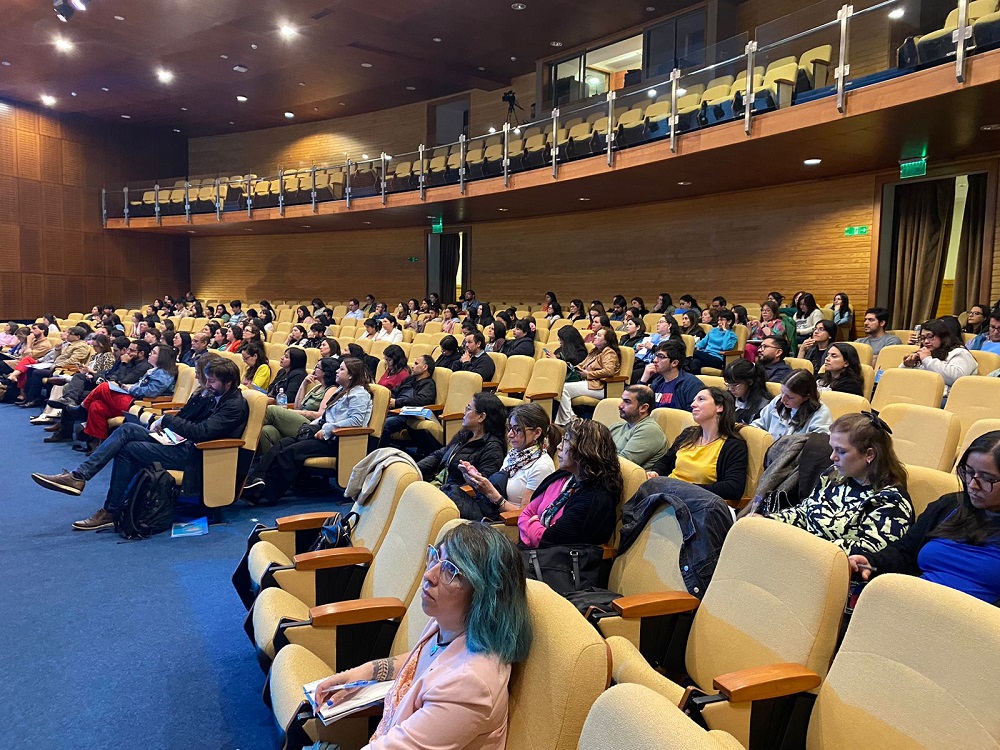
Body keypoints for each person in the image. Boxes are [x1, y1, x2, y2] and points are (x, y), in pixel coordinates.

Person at [310, 523, 532, 750]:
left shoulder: (470, 684)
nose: (429, 574)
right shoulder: (449, 623)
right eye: (436, 557)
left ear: (485, 596)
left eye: (451, 570)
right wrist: (358, 676)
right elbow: (417, 660)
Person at [32, 358, 249, 531]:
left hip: (198, 455)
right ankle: (78, 477)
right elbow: (188, 418)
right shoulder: (213, 395)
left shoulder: (233, 405)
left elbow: (202, 432)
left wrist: (167, 421)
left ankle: (111, 510)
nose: (207, 384)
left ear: (228, 382)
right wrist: (176, 418)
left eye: (211, 381)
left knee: (129, 449)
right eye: (207, 379)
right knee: (127, 429)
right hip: (180, 442)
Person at [848, 430, 1000, 604]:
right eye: (969, 472)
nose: (973, 485)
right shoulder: (950, 505)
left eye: (988, 479)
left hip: (973, 623)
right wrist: (871, 561)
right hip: (914, 605)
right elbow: (905, 553)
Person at [764, 413, 913, 556]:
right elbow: (804, 512)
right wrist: (768, 522)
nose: (832, 457)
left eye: (841, 451)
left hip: (838, 574)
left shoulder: (890, 502)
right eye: (832, 448)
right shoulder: (834, 475)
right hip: (801, 557)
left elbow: (866, 554)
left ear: (869, 455)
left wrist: (798, 544)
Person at [245, 357, 374, 504]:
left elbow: (356, 421)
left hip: (339, 441)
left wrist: (328, 429)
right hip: (323, 433)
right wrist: (312, 425)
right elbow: (327, 415)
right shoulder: (342, 390)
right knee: (283, 443)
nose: (337, 371)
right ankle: (254, 480)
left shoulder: (359, 394)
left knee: (290, 452)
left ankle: (265, 494)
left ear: (351, 375)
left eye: (342, 369)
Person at [518, 418, 621, 548]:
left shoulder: (595, 498)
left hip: (557, 564)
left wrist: (532, 523)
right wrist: (535, 526)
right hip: (532, 554)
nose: (558, 446)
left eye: (565, 441)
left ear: (584, 450)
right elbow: (526, 513)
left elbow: (547, 539)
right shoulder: (563, 476)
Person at [647, 387, 749, 504]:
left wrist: (686, 489)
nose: (693, 405)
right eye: (694, 400)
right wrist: (656, 472)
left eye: (701, 399)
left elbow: (733, 488)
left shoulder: (733, 446)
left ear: (719, 407)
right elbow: (665, 461)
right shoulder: (688, 433)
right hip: (667, 495)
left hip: (697, 503)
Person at [460, 403, 559, 519]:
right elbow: (500, 487)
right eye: (510, 428)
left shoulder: (542, 466)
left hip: (508, 525)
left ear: (537, 433)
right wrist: (477, 480)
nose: (510, 434)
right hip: (491, 513)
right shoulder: (514, 454)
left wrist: (492, 495)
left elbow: (525, 516)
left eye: (517, 429)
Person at [75, 343, 179, 450]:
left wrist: (130, 388)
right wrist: (131, 386)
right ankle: (98, 444)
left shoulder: (164, 373)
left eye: (154, 353)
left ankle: (81, 408)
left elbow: (151, 392)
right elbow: (142, 386)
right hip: (133, 399)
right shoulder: (155, 370)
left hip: (140, 403)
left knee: (104, 387)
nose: (150, 354)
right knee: (96, 405)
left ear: (162, 357)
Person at [417, 393, 507, 510]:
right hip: (439, 487)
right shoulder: (466, 434)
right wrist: (415, 467)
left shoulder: (493, 448)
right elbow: (440, 454)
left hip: (453, 499)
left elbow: (481, 486)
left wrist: (442, 493)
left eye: (468, 409)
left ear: (481, 417)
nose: (464, 413)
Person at [257, 357, 340, 455]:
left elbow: (320, 415)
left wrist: (297, 412)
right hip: (300, 419)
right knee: (266, 431)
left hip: (311, 425)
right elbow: (297, 406)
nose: (314, 369)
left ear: (325, 372)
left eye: (317, 367)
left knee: (272, 410)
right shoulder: (317, 387)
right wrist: (304, 384)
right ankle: (272, 465)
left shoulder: (331, 389)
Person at [554, 327, 620, 427]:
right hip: (588, 383)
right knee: (559, 387)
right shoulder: (594, 352)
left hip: (600, 386)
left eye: (599, 335)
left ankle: (568, 421)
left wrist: (588, 374)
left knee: (563, 388)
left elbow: (609, 371)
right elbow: (581, 365)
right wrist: (572, 367)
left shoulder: (609, 352)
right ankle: (570, 418)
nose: (595, 337)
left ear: (606, 340)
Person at [900, 317, 978, 397]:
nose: (926, 341)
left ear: (942, 336)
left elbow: (956, 378)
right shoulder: (926, 353)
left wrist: (928, 360)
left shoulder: (960, 353)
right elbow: (900, 379)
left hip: (949, 399)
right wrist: (907, 365)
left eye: (930, 336)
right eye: (923, 338)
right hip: (919, 395)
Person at [752, 369, 833, 440]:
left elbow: (818, 446)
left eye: (790, 397)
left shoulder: (821, 415)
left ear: (806, 397)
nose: (783, 399)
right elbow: (761, 423)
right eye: (782, 392)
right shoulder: (778, 400)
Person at [608, 385, 668, 470]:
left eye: (627, 402)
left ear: (643, 408)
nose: (620, 406)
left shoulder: (649, 431)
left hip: (630, 481)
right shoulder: (616, 427)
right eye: (622, 400)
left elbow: (620, 464)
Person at [636, 339, 702, 412]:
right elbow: (637, 406)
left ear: (674, 363)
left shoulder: (691, 384)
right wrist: (643, 380)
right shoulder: (658, 382)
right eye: (656, 356)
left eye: (661, 357)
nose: (655, 360)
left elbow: (694, 415)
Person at [724, 359, 771, 424]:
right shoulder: (727, 398)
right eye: (728, 384)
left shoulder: (763, 406)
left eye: (734, 385)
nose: (730, 389)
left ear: (749, 382)